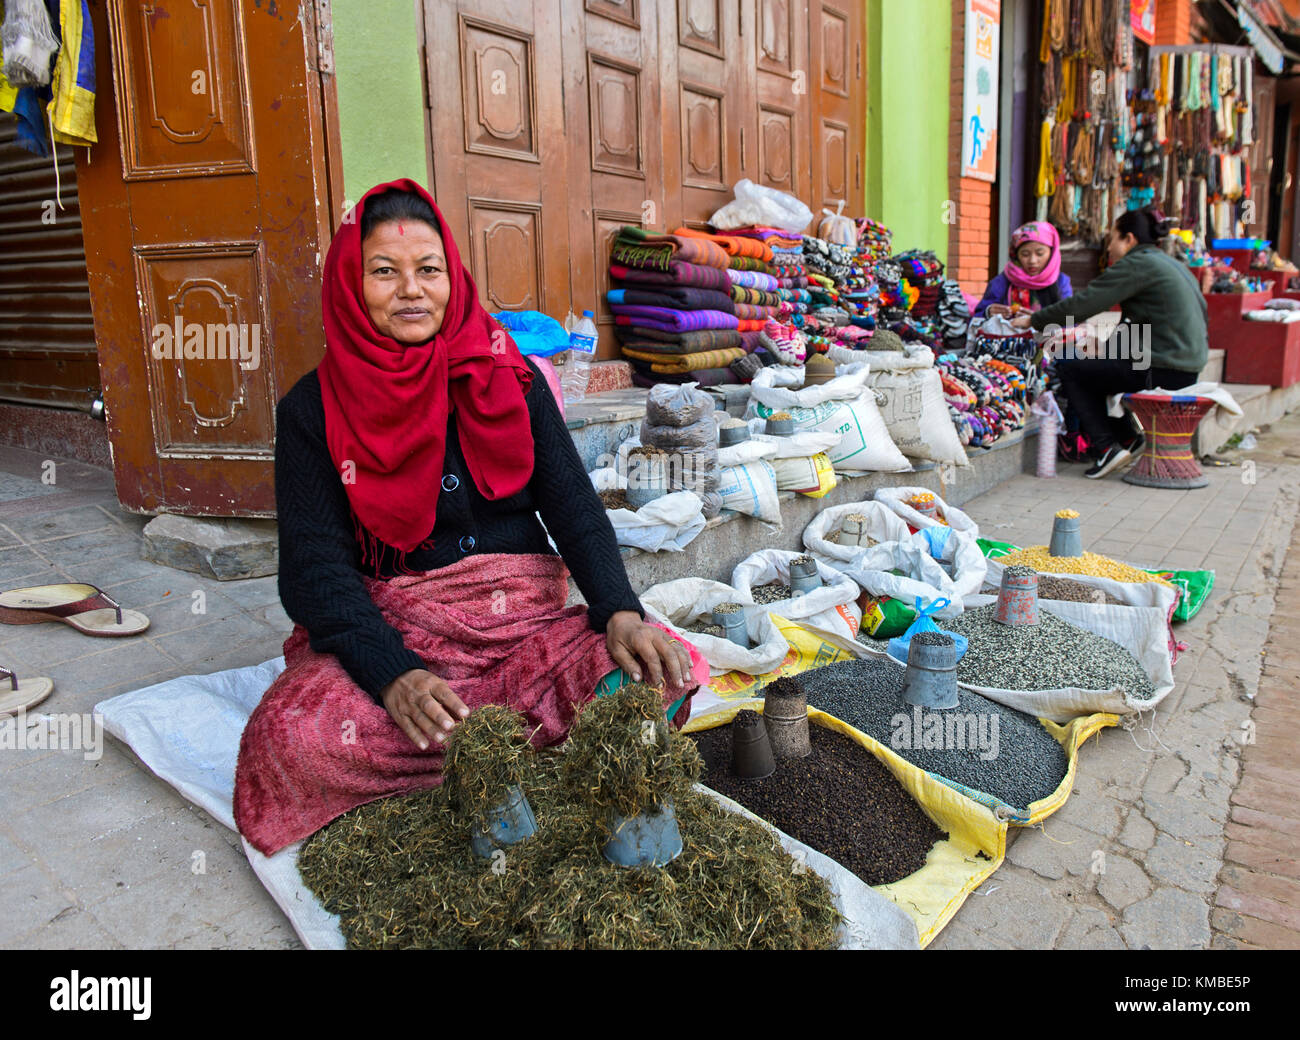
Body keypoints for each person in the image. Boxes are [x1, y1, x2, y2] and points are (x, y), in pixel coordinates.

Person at [233, 179, 702, 855]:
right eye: (384, 272)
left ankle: (489, 764)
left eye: (428, 270)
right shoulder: (314, 409)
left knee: (657, 672)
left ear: (453, 276)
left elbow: (572, 503)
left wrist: (620, 610)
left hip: (529, 632)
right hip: (407, 635)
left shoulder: (509, 375)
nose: (412, 290)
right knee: (295, 737)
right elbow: (313, 572)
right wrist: (392, 674)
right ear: (349, 284)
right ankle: (508, 757)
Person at [1013, 207, 1209, 480]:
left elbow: (1086, 303)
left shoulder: (1139, 264)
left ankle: (1106, 447)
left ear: (1129, 239)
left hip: (1165, 367)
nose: (1108, 248)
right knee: (1099, 365)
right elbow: (1139, 322)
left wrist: (1035, 320)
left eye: (1112, 239)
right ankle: (1129, 440)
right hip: (1186, 364)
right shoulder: (1170, 263)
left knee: (1070, 367)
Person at [973, 221, 1073, 319]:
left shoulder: (1061, 282)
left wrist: (1038, 321)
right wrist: (988, 312)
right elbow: (976, 318)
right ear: (1016, 256)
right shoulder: (1002, 281)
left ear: (1052, 254)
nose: (1032, 261)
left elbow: (1071, 321)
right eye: (1025, 254)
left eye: (1040, 253)